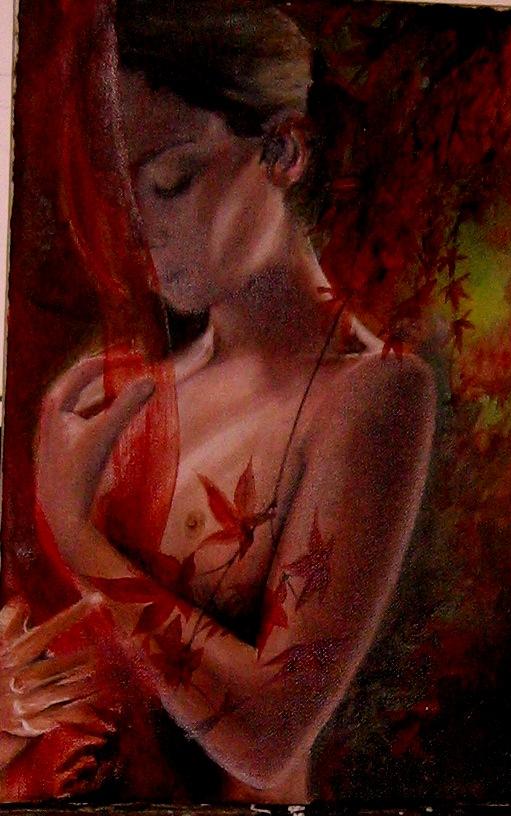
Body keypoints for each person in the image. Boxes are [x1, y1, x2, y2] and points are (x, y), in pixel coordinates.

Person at [1, 0, 435, 803]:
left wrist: (76, 533)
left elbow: (268, 737)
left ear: (282, 151)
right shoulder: (106, 400)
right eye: (120, 193)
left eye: (171, 181)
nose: (139, 227)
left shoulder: (367, 394)